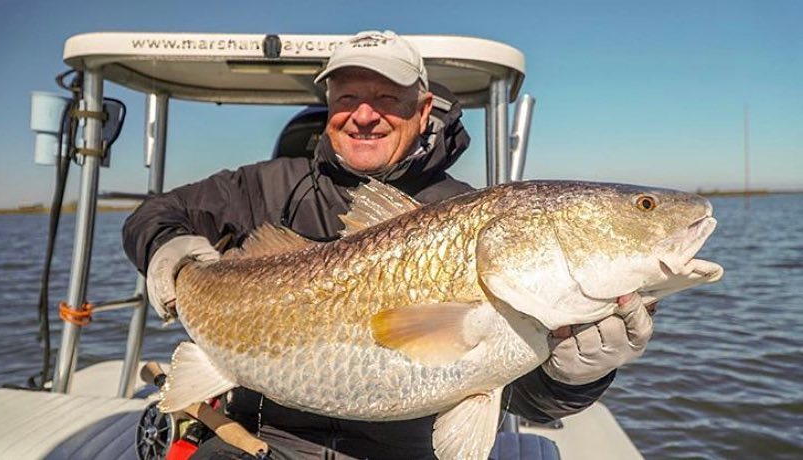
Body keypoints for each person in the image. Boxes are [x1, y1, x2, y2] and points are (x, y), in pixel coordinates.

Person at [123, 30, 654, 459]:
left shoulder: (465, 213)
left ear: (424, 110)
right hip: (264, 440)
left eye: (386, 99)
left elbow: (518, 390)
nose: (364, 114)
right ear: (329, 105)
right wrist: (174, 255)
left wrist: (573, 376)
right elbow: (153, 215)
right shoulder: (265, 185)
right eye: (347, 97)